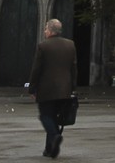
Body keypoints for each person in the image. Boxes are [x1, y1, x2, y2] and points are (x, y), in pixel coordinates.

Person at [28, 18, 78, 157]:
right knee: (55, 117)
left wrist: (32, 88)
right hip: (65, 89)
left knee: (45, 115)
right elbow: (74, 68)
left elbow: (36, 69)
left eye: (45, 29)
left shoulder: (43, 46)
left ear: (50, 31)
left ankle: (55, 136)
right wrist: (73, 87)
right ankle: (50, 148)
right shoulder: (70, 45)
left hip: (47, 89)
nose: (44, 31)